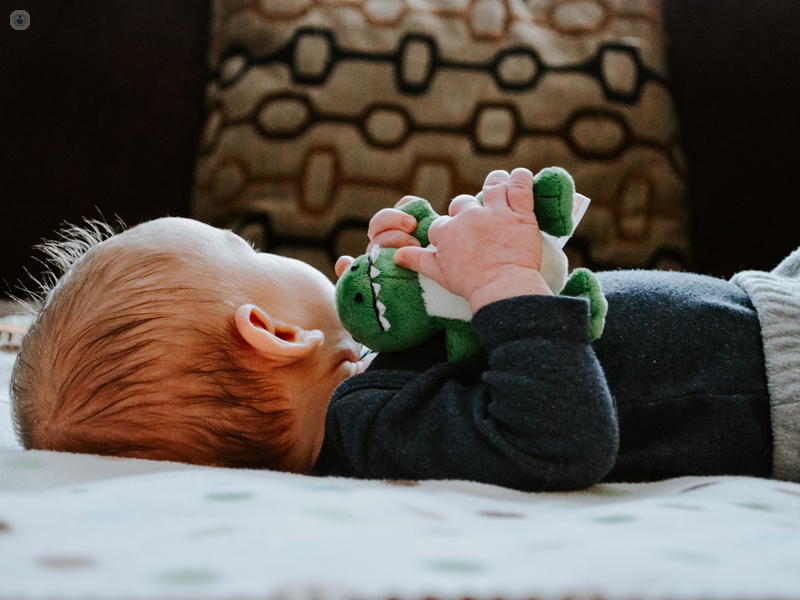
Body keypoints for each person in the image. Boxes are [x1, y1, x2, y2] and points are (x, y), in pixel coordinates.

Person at [9, 168, 793, 491]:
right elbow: (560, 435)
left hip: (761, 309)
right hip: (776, 376)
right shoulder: (375, 430)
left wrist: (431, 271)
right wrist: (503, 285)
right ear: (271, 332)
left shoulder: (369, 389)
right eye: (246, 250)